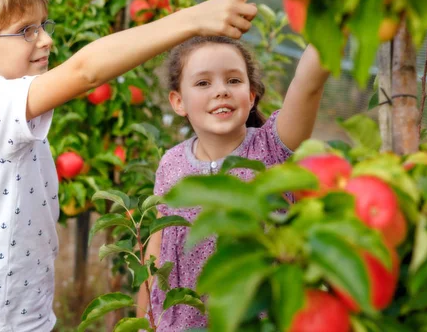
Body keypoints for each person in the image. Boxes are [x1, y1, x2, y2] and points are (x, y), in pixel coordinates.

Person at [0, 0, 259, 332]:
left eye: (42, 25)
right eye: (26, 31)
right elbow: (85, 72)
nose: (46, 39)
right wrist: (193, 19)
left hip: (10, 304)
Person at [139, 36, 329, 330]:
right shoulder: (171, 163)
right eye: (203, 83)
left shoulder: (272, 148)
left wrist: (330, 21)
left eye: (233, 80)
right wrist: (145, 321)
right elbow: (156, 247)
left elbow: (308, 84)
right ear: (178, 102)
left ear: (251, 96)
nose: (221, 92)